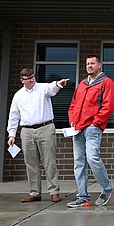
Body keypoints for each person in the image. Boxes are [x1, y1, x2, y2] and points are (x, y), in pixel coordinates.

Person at [7, 68, 69, 203]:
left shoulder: (42, 88)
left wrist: (59, 84)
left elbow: (52, 88)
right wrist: (11, 134)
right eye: (28, 78)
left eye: (32, 77)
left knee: (49, 161)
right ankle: (34, 192)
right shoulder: (18, 95)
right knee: (31, 162)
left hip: (45, 128)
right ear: (22, 80)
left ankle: (54, 191)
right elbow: (13, 116)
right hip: (26, 131)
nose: (31, 80)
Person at [67, 55, 114, 209]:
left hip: (92, 127)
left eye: (92, 63)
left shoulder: (107, 83)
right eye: (87, 64)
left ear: (99, 66)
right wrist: (72, 120)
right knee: (79, 162)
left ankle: (107, 187)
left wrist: (96, 123)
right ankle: (82, 196)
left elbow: (108, 106)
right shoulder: (82, 84)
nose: (89, 66)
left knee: (92, 157)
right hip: (78, 128)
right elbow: (73, 104)